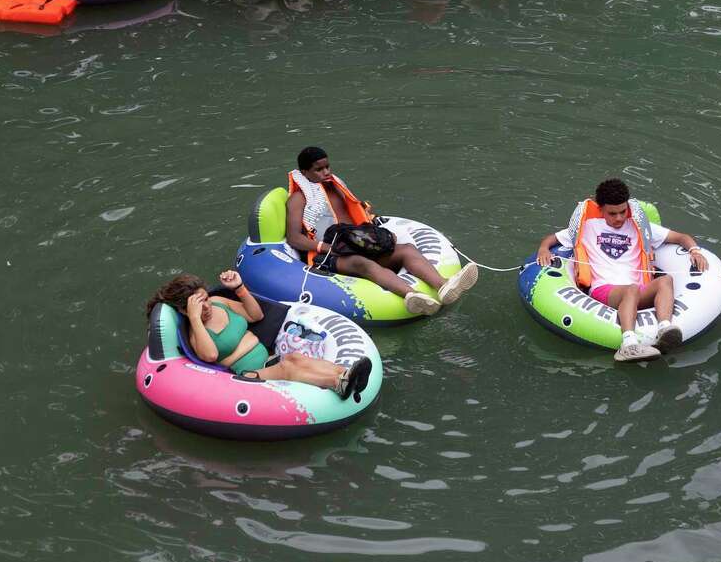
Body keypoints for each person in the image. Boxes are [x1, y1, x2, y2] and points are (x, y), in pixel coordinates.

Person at [285, 146, 478, 316]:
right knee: (362, 263)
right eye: (319, 169)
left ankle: (443, 285)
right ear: (304, 172)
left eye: (327, 167)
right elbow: (294, 238)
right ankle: (414, 296)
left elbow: (352, 215)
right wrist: (327, 248)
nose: (326, 172)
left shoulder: (336, 186)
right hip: (331, 253)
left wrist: (370, 225)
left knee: (407, 249)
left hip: (355, 241)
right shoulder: (298, 199)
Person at [535, 178, 708, 363]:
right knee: (630, 289)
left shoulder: (640, 227)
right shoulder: (587, 227)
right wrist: (543, 249)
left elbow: (680, 237)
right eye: (612, 213)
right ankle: (628, 344)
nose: (619, 218)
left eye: (623, 211)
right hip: (605, 289)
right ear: (600, 209)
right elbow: (551, 239)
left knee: (665, 281)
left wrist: (695, 251)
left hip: (638, 290)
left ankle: (665, 329)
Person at [146, 270, 372, 399]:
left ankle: (349, 374)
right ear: (185, 309)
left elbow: (254, 316)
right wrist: (195, 318)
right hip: (247, 376)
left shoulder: (218, 303)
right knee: (287, 367)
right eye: (198, 304)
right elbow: (211, 355)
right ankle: (338, 383)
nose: (205, 306)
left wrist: (239, 288)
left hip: (267, 358)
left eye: (204, 298)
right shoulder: (194, 330)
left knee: (296, 359)